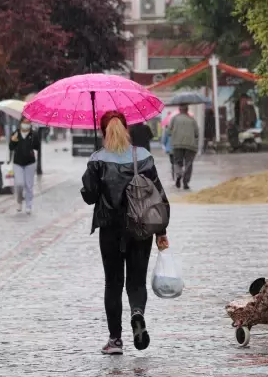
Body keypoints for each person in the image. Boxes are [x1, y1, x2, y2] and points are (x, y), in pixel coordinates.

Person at [81, 111, 170, 356]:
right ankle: (137, 314)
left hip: (110, 229)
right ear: (126, 129)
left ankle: (115, 341)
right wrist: (161, 231)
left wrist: (91, 176)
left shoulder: (98, 159)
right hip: (140, 228)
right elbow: (158, 196)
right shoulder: (143, 156)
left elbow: (89, 196)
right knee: (136, 281)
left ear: (103, 132)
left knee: (113, 283)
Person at [9, 117, 40, 214]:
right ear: (20, 123)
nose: (26, 124)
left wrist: (34, 140)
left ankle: (28, 205)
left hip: (30, 163)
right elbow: (11, 147)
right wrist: (13, 141)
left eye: (28, 123)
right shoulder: (16, 133)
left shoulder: (33, 134)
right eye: (24, 122)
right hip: (18, 163)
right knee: (19, 184)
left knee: (29, 185)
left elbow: (37, 147)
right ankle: (19, 201)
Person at [169, 105, 198, 190]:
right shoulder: (192, 119)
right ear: (187, 110)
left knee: (177, 162)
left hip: (177, 144)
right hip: (190, 145)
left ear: (179, 110)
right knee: (188, 163)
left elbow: (168, 131)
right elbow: (196, 133)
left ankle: (179, 175)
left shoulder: (174, 119)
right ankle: (185, 182)